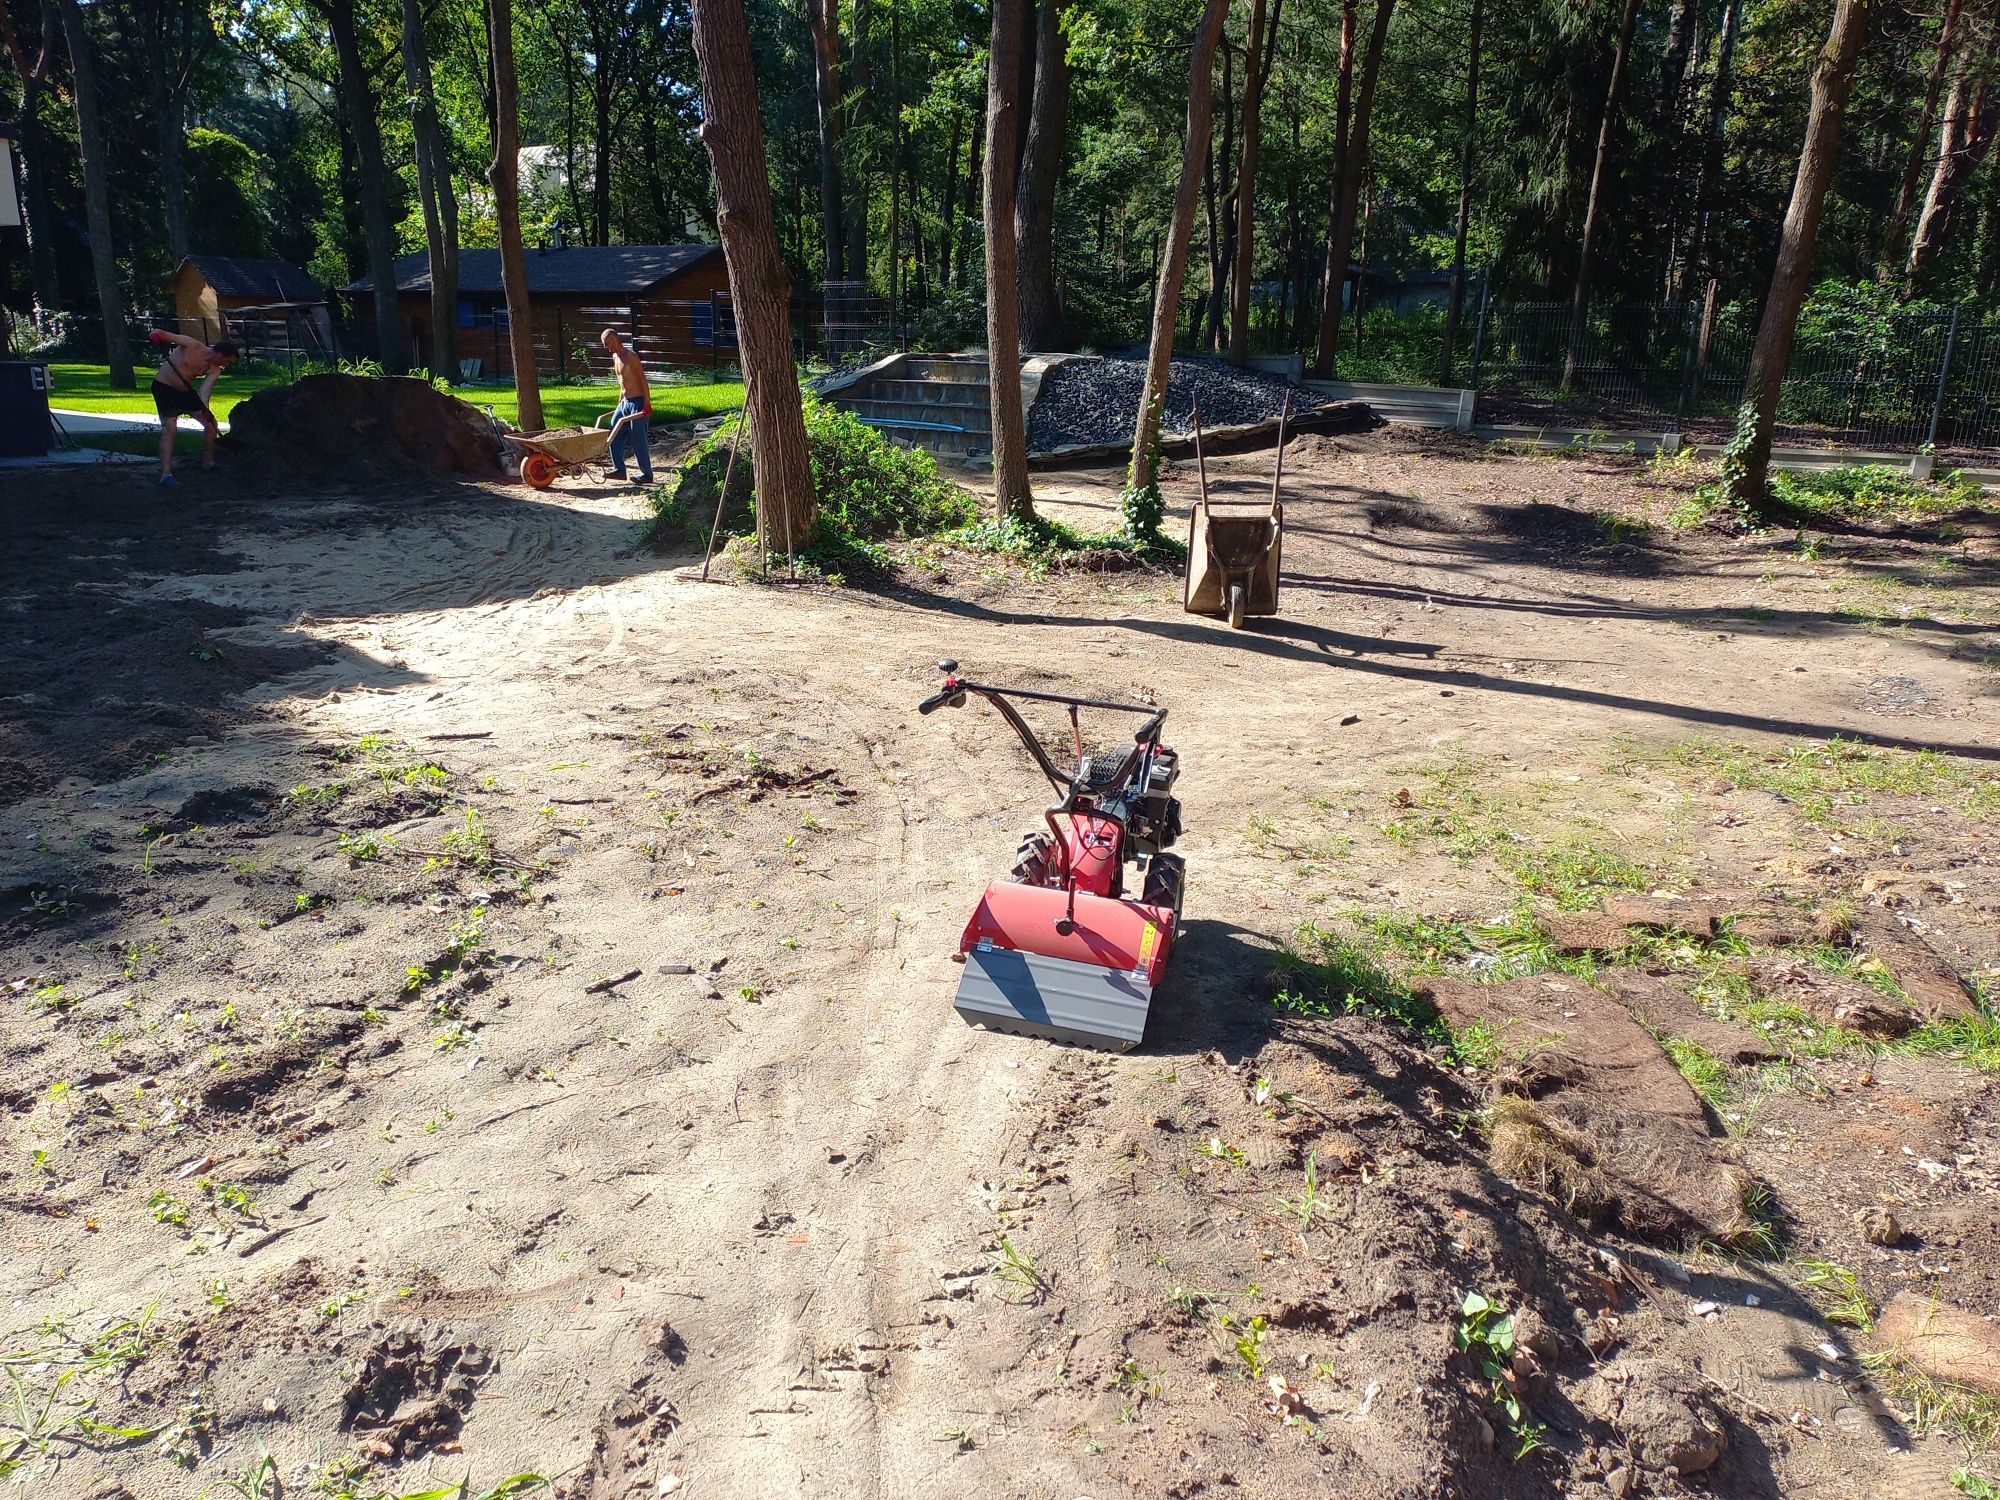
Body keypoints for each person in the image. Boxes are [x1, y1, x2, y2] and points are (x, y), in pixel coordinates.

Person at [148, 329, 238, 487]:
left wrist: (206, 410)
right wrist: (156, 337)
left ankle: (208, 463)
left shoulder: (215, 369)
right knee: (170, 429)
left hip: (186, 393)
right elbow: (162, 333)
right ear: (220, 354)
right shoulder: (192, 345)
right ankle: (166, 475)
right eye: (227, 361)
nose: (226, 365)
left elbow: (205, 390)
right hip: (164, 389)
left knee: (211, 425)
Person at [600, 327, 653, 484]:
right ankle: (619, 470)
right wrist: (619, 404)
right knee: (613, 431)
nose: (606, 348)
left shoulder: (631, 357)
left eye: (606, 344)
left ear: (614, 341)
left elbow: (643, 381)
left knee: (638, 438)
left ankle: (647, 474)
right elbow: (622, 384)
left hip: (637, 401)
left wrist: (646, 404)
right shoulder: (615, 357)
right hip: (625, 402)